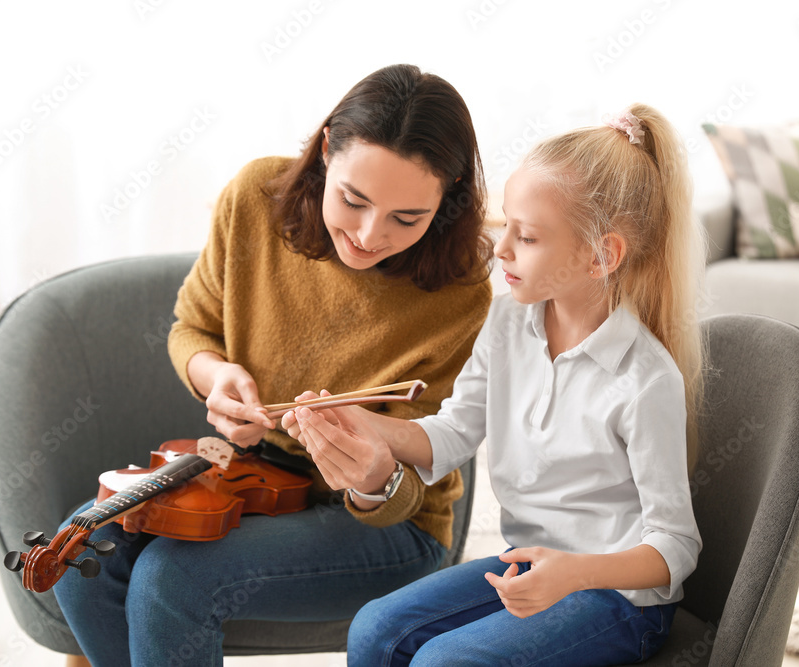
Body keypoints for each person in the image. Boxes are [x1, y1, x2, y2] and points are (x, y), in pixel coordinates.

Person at [52, 63, 495, 667]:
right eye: (353, 199)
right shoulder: (255, 199)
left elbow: (418, 481)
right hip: (250, 475)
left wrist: (369, 479)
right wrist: (217, 379)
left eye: (406, 219)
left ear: (446, 202)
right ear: (323, 153)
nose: (368, 235)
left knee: (173, 578)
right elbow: (193, 329)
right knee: (83, 552)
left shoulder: (459, 291)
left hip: (386, 524)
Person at [287, 104, 707, 666]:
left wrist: (573, 573)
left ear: (601, 255)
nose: (500, 247)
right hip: (528, 563)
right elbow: (454, 432)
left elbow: (675, 547)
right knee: (375, 631)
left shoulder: (644, 378)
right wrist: (366, 425)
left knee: (446, 662)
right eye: (504, 223)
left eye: (526, 236)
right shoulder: (509, 321)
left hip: (620, 600)